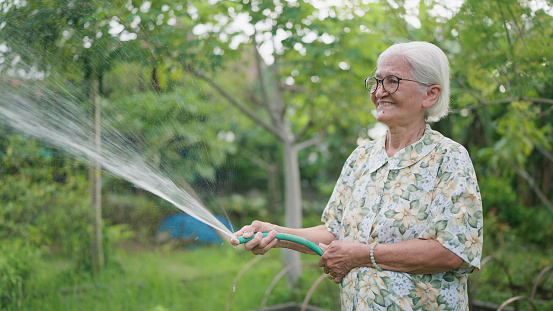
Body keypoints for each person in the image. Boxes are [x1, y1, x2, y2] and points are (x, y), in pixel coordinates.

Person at [231, 41, 483, 311]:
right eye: (375, 81)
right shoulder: (360, 159)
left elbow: (451, 251)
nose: (378, 91)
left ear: (430, 95)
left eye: (392, 81)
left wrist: (363, 255)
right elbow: (334, 233)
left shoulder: (448, 158)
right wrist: (277, 234)